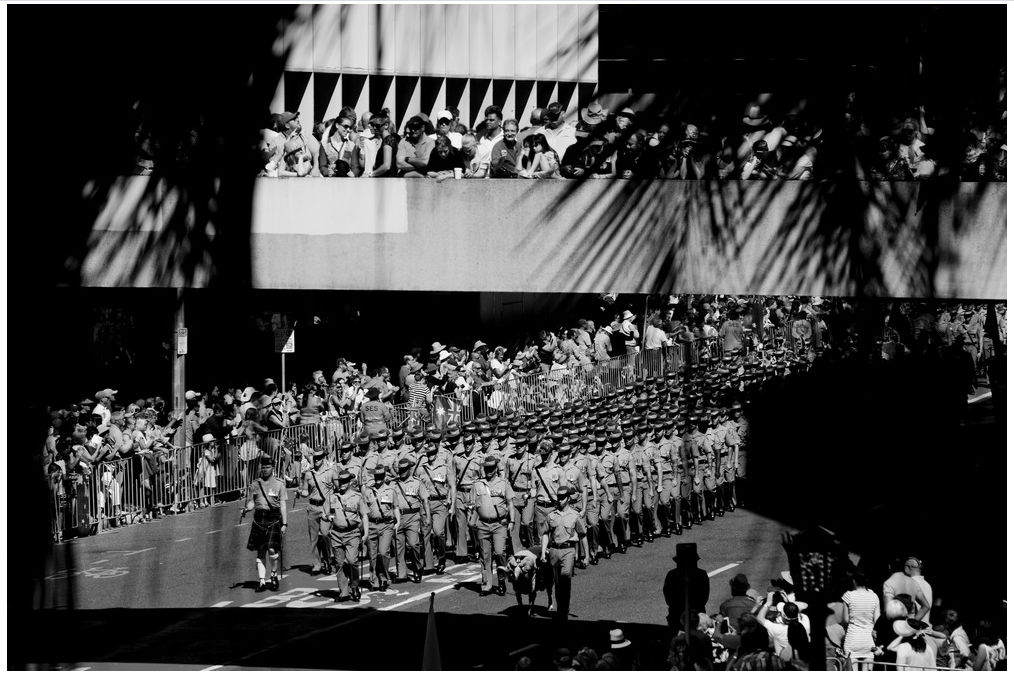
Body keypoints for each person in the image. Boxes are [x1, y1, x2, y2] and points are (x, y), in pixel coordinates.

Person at [469, 454, 514, 596]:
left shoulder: (503, 483)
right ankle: (486, 585)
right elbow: (472, 505)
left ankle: (501, 580)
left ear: (496, 468)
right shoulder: (477, 484)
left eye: (491, 468)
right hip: (482, 524)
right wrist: (472, 521)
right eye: (486, 468)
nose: (489, 470)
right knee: (485, 556)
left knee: (500, 552)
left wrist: (512, 521)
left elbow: (510, 504)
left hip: (499, 524)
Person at [243, 455, 288, 593]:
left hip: (273, 519)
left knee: (272, 550)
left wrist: (284, 524)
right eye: (263, 468)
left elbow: (282, 504)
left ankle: (273, 575)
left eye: (268, 467)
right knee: (260, 550)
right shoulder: (255, 484)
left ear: (273, 468)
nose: (265, 470)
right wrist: (247, 509)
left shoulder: (279, 484)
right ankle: (262, 581)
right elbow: (252, 501)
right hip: (259, 519)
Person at [541, 486, 585, 621]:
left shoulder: (574, 515)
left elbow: (583, 535)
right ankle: (561, 608)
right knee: (558, 583)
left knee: (565, 580)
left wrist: (586, 555)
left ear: (568, 499)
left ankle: (563, 611)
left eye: (562, 498)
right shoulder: (551, 515)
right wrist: (543, 552)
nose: (559, 500)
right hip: (554, 551)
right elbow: (545, 534)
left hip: (568, 551)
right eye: (558, 497)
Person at [327, 470, 367, 601]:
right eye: (340, 481)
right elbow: (327, 514)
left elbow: (364, 515)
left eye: (345, 481)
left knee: (351, 561)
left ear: (349, 482)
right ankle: (343, 592)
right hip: (337, 533)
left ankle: (354, 585)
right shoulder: (332, 497)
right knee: (339, 563)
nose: (342, 484)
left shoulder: (357, 496)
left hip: (352, 533)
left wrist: (365, 533)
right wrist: (330, 519)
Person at [299, 447, 337, 575]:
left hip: (326, 507)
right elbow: (305, 491)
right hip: (313, 507)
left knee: (325, 534)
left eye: (319, 458)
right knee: (314, 538)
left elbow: (338, 490)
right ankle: (317, 565)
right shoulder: (309, 474)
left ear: (323, 458)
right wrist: (299, 492)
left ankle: (327, 559)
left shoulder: (330, 472)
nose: (316, 460)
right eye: (314, 458)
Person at [416, 442, 453, 574]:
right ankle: (429, 565)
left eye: (433, 453)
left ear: (437, 453)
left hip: (440, 503)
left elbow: (452, 486)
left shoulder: (444, 467)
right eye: (428, 453)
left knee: (438, 532)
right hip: (425, 503)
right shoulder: (421, 469)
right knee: (425, 534)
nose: (431, 456)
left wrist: (451, 502)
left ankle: (442, 558)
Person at [393, 457, 429, 584]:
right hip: (398, 517)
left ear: (410, 469)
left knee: (413, 544)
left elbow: (425, 500)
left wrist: (428, 517)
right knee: (399, 546)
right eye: (400, 469)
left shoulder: (417, 482)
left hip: (413, 517)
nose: (402, 472)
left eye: (404, 469)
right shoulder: (393, 484)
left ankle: (418, 567)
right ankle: (401, 574)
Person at [363, 465, 400, 591]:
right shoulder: (368, 491)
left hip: (386, 525)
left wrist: (398, 522)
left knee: (383, 552)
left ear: (384, 477)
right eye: (376, 476)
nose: (378, 479)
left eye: (380, 476)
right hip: (372, 524)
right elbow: (363, 510)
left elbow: (395, 507)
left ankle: (383, 577)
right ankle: (374, 580)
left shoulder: (391, 491)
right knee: (372, 555)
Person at [839, 569, 881, 669]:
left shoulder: (848, 595)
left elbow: (845, 619)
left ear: (854, 581)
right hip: (868, 641)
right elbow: (877, 620)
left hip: (852, 639)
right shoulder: (874, 596)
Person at [662, 549, 710, 629]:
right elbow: (704, 597)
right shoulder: (701, 574)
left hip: (676, 615)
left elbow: (668, 597)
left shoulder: (671, 575)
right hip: (696, 615)